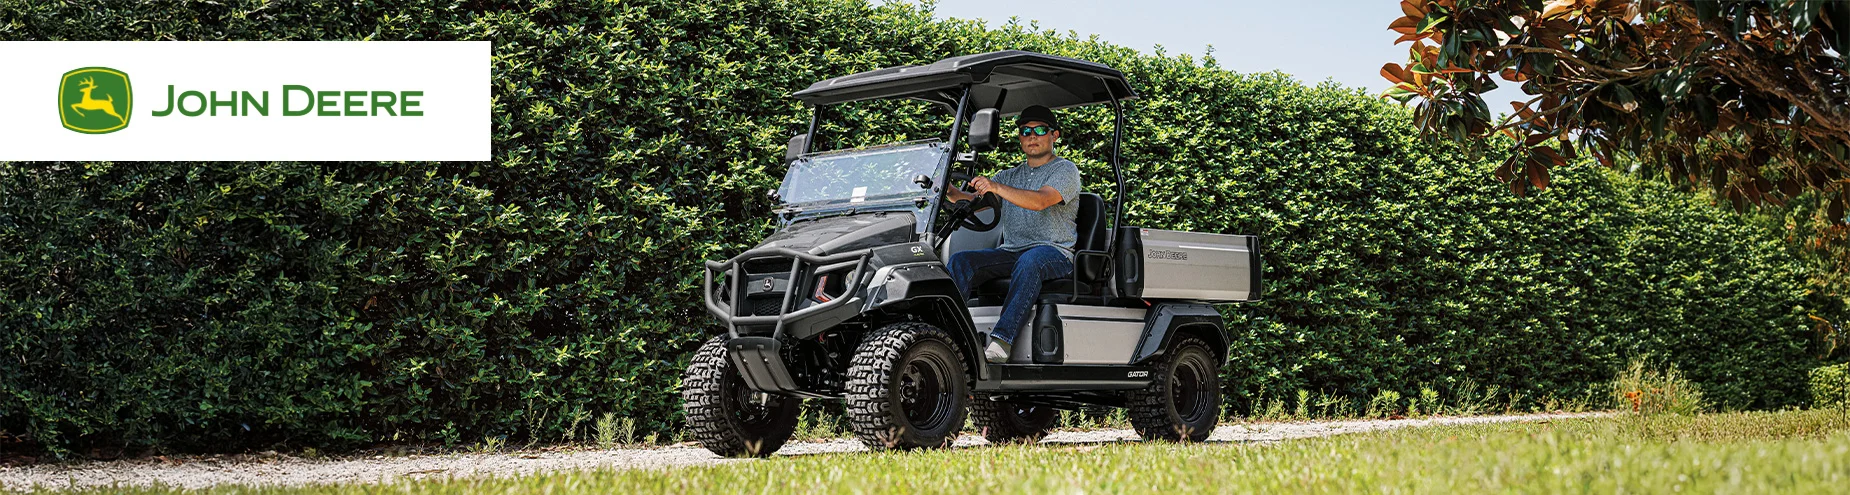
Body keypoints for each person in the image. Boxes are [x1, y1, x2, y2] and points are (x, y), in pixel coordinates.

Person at [945, 105, 1082, 363]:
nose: (1032, 136)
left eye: (1040, 130)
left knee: (1030, 261)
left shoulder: (1065, 170)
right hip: (1011, 251)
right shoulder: (1008, 176)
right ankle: (949, 338)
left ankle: (1001, 341)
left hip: (1054, 252)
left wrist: (996, 187)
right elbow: (973, 202)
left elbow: (1041, 201)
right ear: (1020, 137)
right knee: (961, 262)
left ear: (1054, 135)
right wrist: (949, 189)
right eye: (1025, 131)